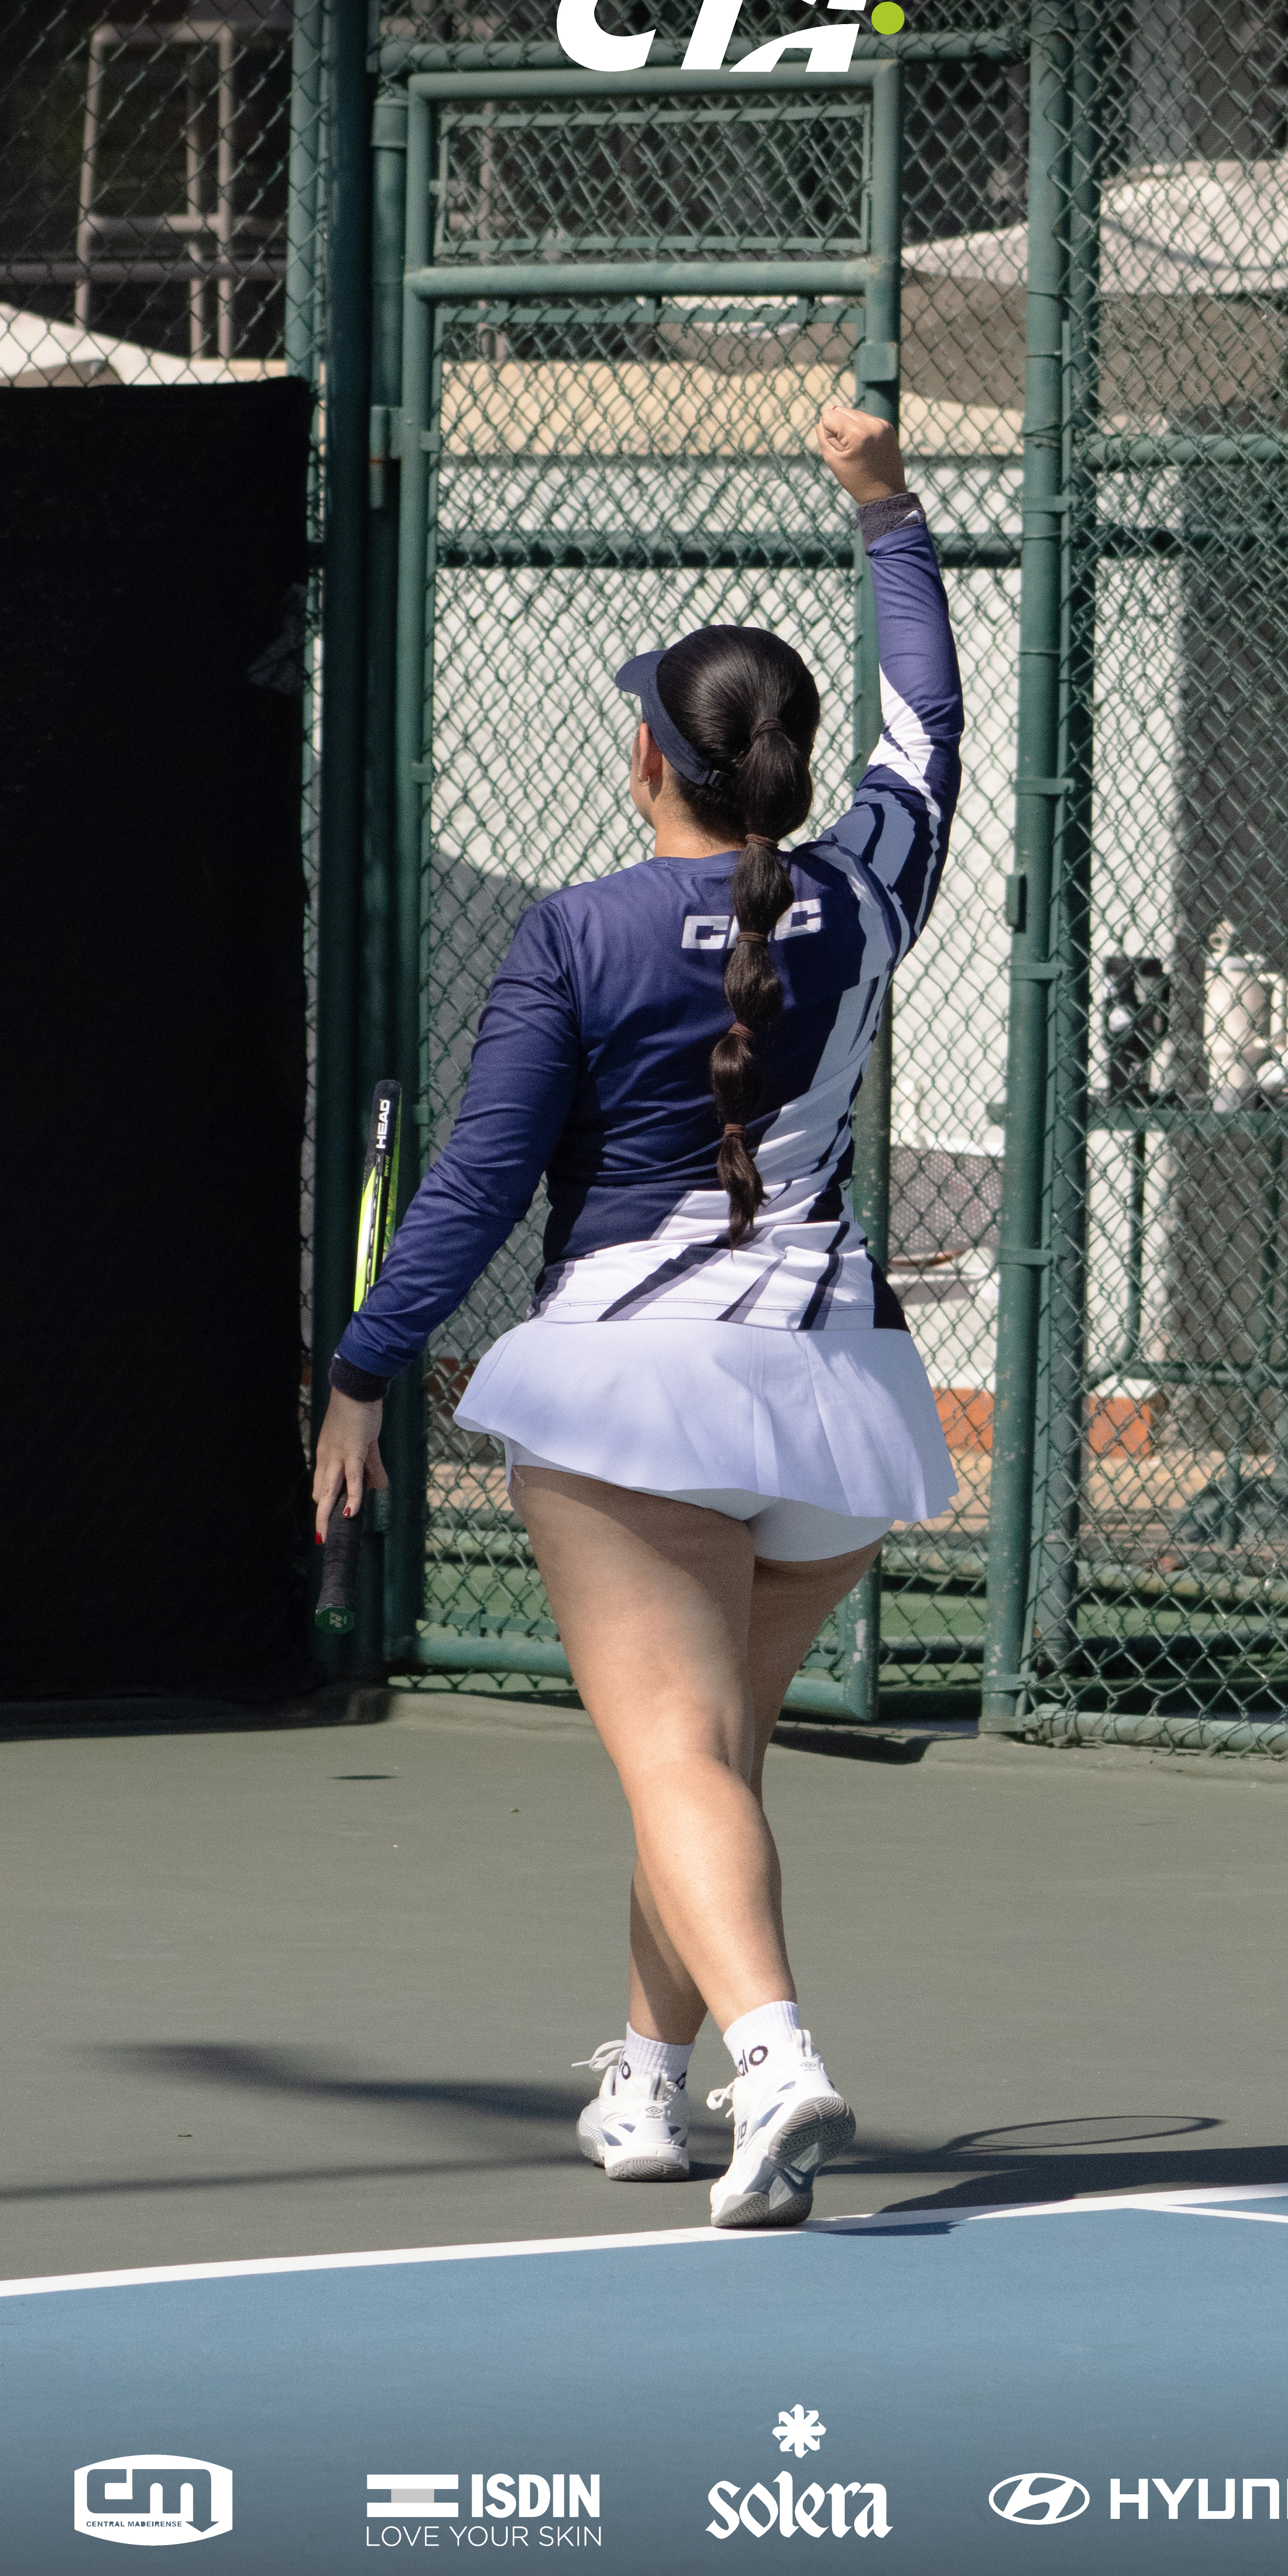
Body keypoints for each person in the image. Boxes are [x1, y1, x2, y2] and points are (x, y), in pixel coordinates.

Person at [311, 403, 962, 2229]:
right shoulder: (867, 891)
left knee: (675, 1754)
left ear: (653, 764)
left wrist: (362, 1371)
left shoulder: (576, 934)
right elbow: (930, 726)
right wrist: (884, 508)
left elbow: (475, 1185)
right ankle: (646, 2082)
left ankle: (775, 2055)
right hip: (837, 1406)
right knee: (710, 1759)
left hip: (630, 1399)